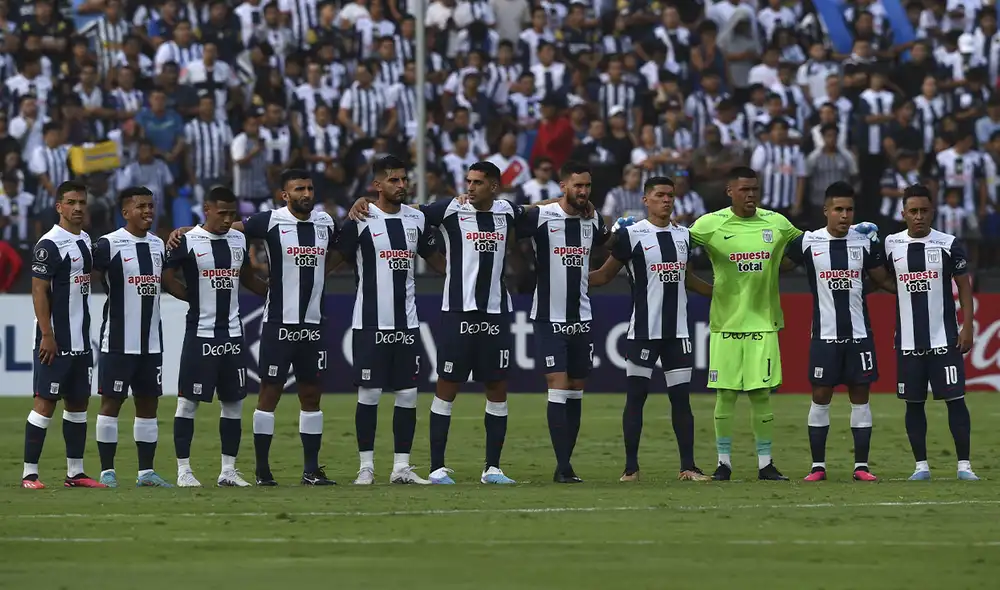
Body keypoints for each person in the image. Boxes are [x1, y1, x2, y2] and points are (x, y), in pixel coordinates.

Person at [346, 161, 553, 485]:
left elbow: (537, 210)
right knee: (446, 386)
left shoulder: (506, 211)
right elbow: (407, 209)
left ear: (494, 187)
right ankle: (437, 467)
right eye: (468, 181)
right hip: (457, 311)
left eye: (478, 183)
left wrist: (573, 199)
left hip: (496, 312)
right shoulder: (450, 209)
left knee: (497, 387)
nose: (470, 187)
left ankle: (492, 468)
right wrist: (365, 202)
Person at [169, 169, 338, 486]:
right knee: (267, 394)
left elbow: (344, 247)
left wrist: (320, 273)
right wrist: (187, 230)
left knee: (311, 396)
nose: (306, 193)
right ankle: (260, 470)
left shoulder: (327, 223)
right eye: (299, 188)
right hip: (276, 325)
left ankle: (309, 470)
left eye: (310, 188)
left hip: (312, 325)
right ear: (284, 195)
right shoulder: (268, 221)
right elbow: (222, 226)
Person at [589, 176, 714, 482]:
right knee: (636, 398)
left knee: (682, 400)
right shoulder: (631, 236)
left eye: (670, 195)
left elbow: (687, 278)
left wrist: (720, 291)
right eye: (660, 195)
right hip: (643, 332)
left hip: (678, 334)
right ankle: (630, 469)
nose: (667, 200)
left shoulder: (684, 236)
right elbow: (605, 276)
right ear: (646, 200)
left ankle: (688, 467)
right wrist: (567, 277)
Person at [336, 155, 446, 485]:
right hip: (370, 323)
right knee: (368, 395)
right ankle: (366, 467)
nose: (401, 185)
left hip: (406, 324)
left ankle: (401, 467)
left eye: (404, 179)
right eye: (394, 180)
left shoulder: (416, 219)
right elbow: (334, 258)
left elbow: (439, 261)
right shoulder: (360, 219)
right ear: (377, 185)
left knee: (408, 395)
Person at [689, 166, 801, 481]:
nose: (750, 195)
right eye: (743, 190)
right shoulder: (710, 224)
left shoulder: (776, 223)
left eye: (754, 189)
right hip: (725, 324)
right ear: (730, 191)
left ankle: (765, 464)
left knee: (761, 395)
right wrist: (708, 290)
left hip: (763, 323)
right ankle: (723, 463)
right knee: (725, 394)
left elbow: (808, 248)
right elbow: (675, 246)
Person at [782, 182, 894, 482]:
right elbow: (778, 267)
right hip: (825, 336)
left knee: (861, 396)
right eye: (838, 209)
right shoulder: (808, 243)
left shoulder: (864, 242)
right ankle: (817, 466)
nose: (844, 215)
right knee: (820, 396)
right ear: (826, 211)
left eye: (849, 210)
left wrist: (910, 290)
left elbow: (880, 280)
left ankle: (861, 466)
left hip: (859, 335)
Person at [162, 186, 268, 487]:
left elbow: (246, 277)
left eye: (231, 214)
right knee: (188, 403)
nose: (227, 219)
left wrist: (272, 292)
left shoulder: (238, 239)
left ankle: (228, 471)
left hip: (232, 335)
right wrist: (191, 299)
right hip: (200, 334)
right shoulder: (188, 241)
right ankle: (184, 470)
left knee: (234, 403)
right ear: (206, 210)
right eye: (221, 213)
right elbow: (167, 277)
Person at [514, 161, 613, 483]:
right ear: (563, 186)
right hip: (548, 316)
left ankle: (566, 462)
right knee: (557, 384)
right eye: (577, 186)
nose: (583, 191)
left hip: (582, 317)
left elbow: (609, 242)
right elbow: (508, 219)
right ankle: (562, 467)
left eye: (587, 186)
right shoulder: (542, 216)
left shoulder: (593, 219)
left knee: (576, 389)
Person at [883, 183, 978, 481]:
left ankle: (964, 466)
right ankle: (920, 466)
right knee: (913, 404)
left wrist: (968, 325)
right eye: (914, 211)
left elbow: (964, 286)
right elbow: (878, 278)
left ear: (932, 212)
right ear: (903, 214)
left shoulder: (948, 244)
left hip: (944, 339)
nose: (919, 216)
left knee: (956, 400)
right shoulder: (890, 244)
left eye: (924, 211)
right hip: (908, 342)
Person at [91, 186, 177, 487]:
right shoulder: (108, 245)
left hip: (152, 342)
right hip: (117, 341)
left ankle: (145, 473)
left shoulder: (157, 246)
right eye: (141, 206)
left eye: (151, 206)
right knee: (111, 403)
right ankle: (107, 471)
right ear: (125, 212)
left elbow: (169, 284)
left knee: (148, 405)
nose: (148, 211)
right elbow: (83, 276)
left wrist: (199, 298)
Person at [22, 181, 105, 489]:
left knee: (78, 404)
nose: (78, 207)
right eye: (71, 202)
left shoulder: (84, 239)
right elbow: (38, 290)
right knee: (45, 404)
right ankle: (29, 473)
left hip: (82, 340)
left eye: (82, 202)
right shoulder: (49, 244)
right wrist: (47, 334)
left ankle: (75, 473)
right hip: (55, 339)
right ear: (59, 207)